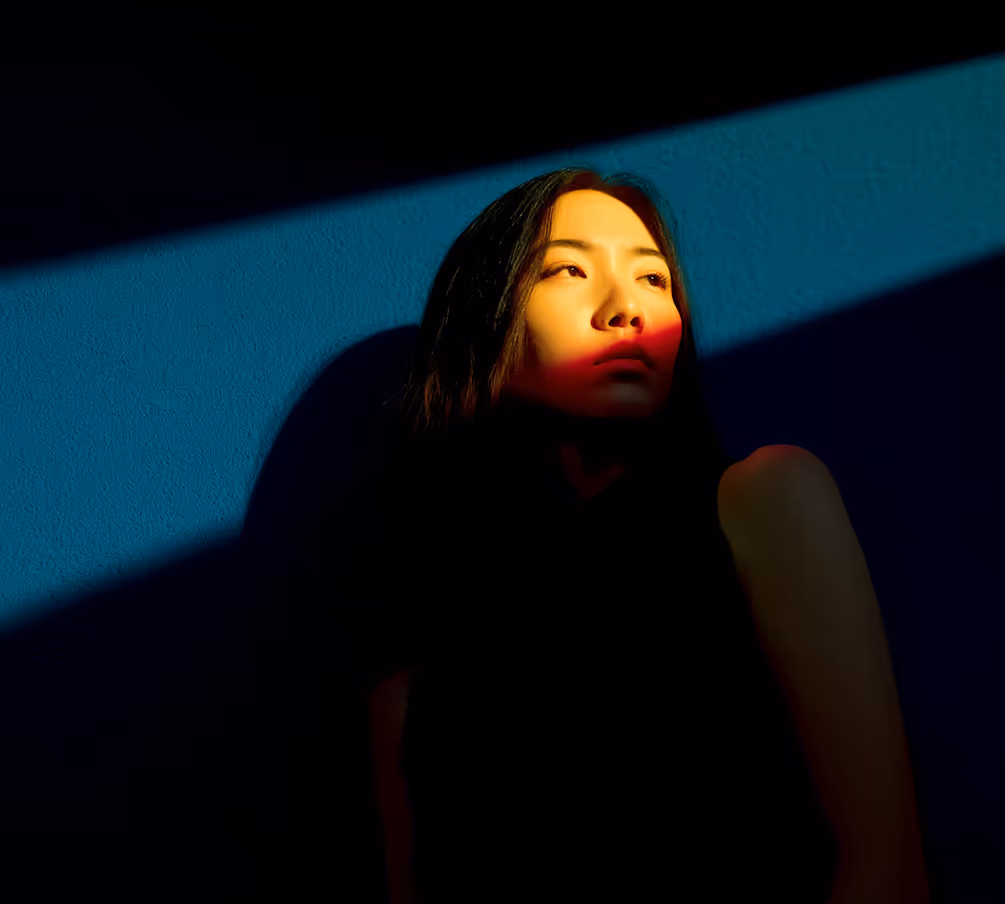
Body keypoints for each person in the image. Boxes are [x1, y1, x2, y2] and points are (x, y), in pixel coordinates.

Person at [335, 167, 923, 903]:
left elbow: (887, 868)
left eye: (653, 279)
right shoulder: (417, 607)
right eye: (569, 270)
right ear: (484, 318)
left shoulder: (762, 499)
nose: (627, 310)